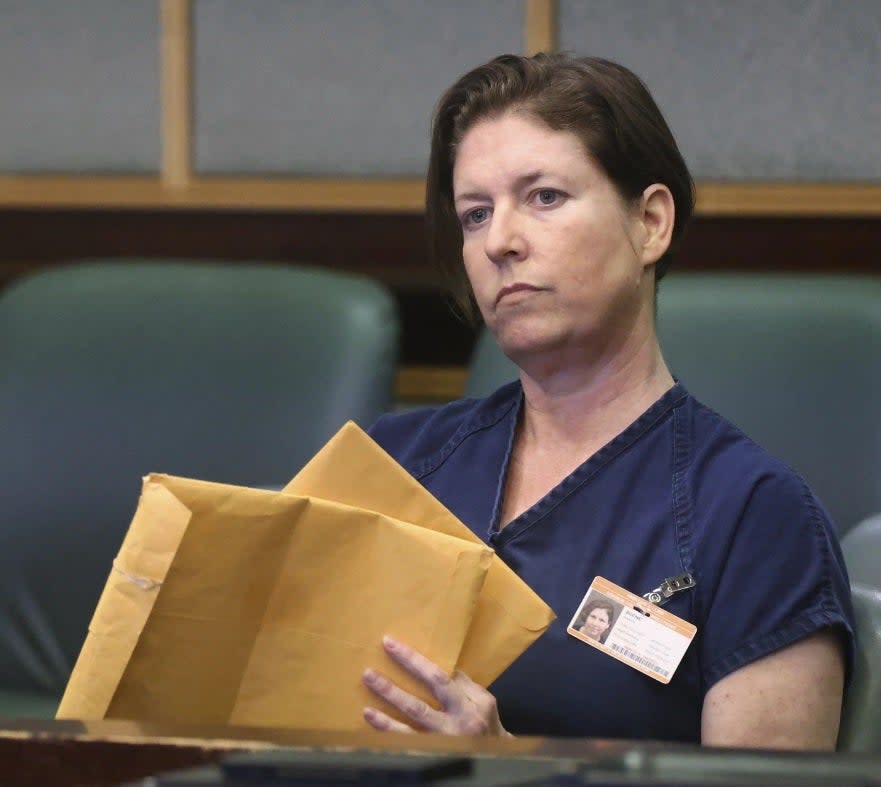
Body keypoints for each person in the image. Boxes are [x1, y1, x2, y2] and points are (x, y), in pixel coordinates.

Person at [360, 53, 855, 748]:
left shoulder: (752, 513)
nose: (500, 241)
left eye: (544, 197)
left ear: (650, 222)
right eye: (475, 213)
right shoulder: (391, 463)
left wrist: (500, 763)